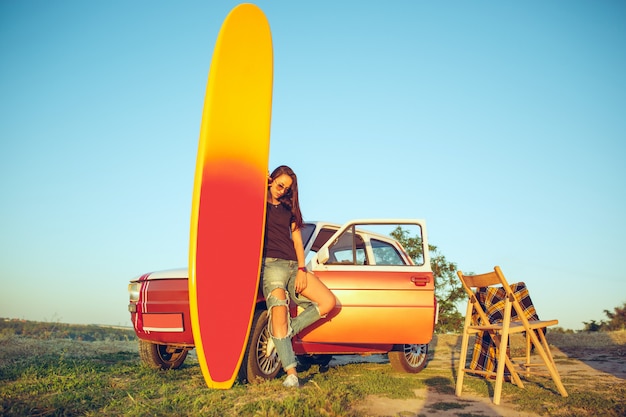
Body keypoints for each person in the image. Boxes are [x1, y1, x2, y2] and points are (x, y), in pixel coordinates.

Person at [261, 165, 336, 388]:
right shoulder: (258, 203)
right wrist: (257, 183)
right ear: (271, 180)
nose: (282, 190)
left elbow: (296, 240)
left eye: (287, 188)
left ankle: (287, 331)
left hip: (294, 265)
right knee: (278, 313)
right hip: (271, 266)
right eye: (279, 184)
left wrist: (302, 269)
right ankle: (292, 373)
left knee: (328, 302)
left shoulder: (289, 209)